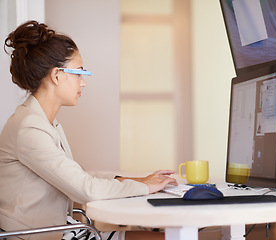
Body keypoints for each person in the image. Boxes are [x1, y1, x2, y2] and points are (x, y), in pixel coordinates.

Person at [0, 20, 177, 240]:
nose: (82, 83)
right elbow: (86, 190)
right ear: (57, 75)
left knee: (160, 236)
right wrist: (145, 188)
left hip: (62, 229)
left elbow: (78, 178)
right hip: (38, 235)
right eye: (79, 73)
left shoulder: (40, 121)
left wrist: (142, 181)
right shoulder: (29, 128)